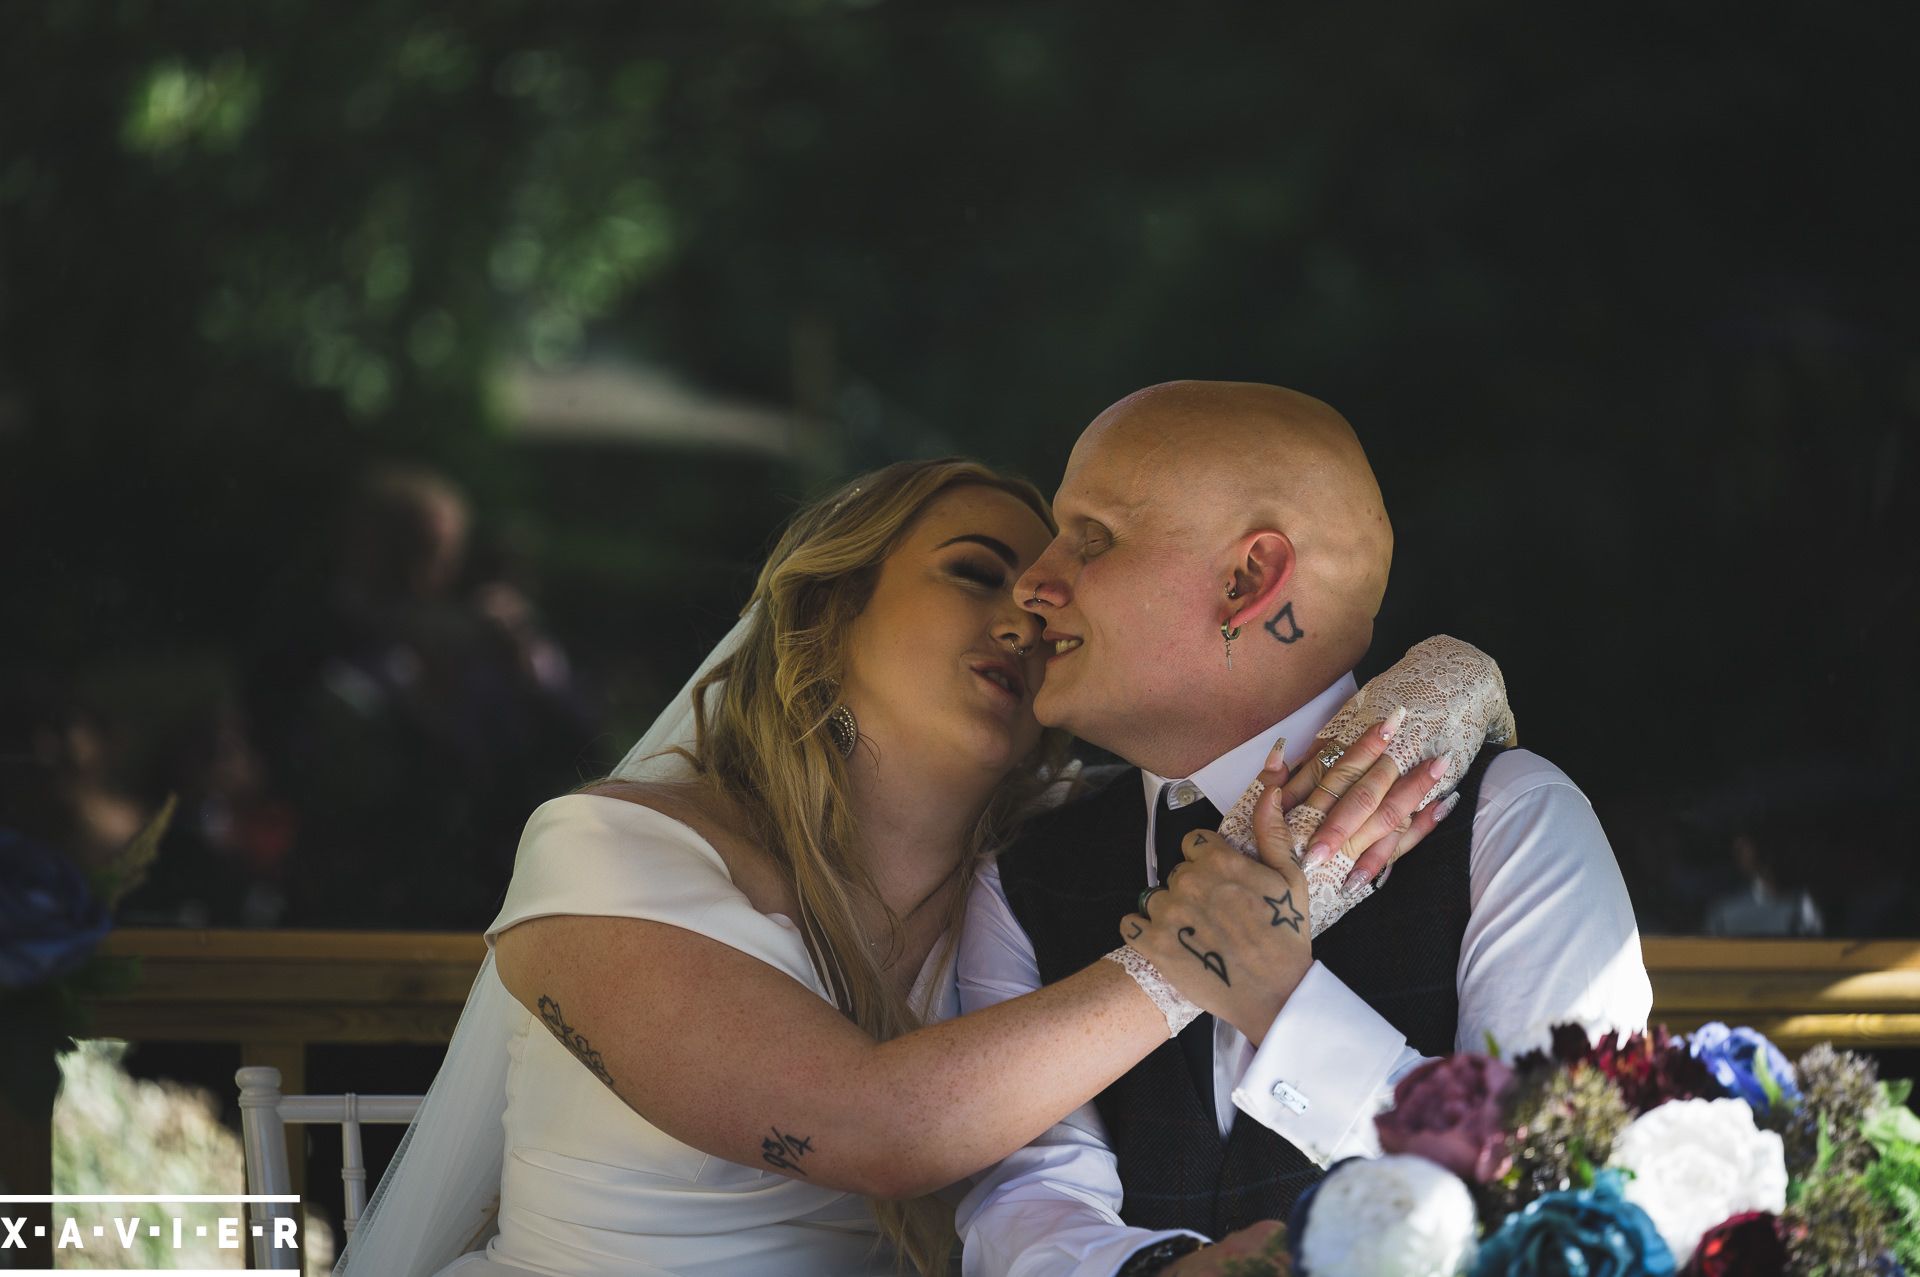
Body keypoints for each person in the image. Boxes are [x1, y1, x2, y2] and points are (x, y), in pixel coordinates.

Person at [336, 457, 1502, 1277]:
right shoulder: (611, 846)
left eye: (1056, 584)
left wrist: (1452, 681)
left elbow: (1326, 739)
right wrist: (1197, 951)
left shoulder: (1049, 873)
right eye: (974, 570)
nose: (1030, 612)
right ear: (829, 607)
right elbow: (867, 1128)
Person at [956, 381, 1655, 1277]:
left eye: (1093, 537)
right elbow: (1024, 1193)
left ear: (1251, 580)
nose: (1034, 583)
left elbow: (1572, 1198)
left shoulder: (1510, 823)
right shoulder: (1025, 869)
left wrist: (1286, 1009)